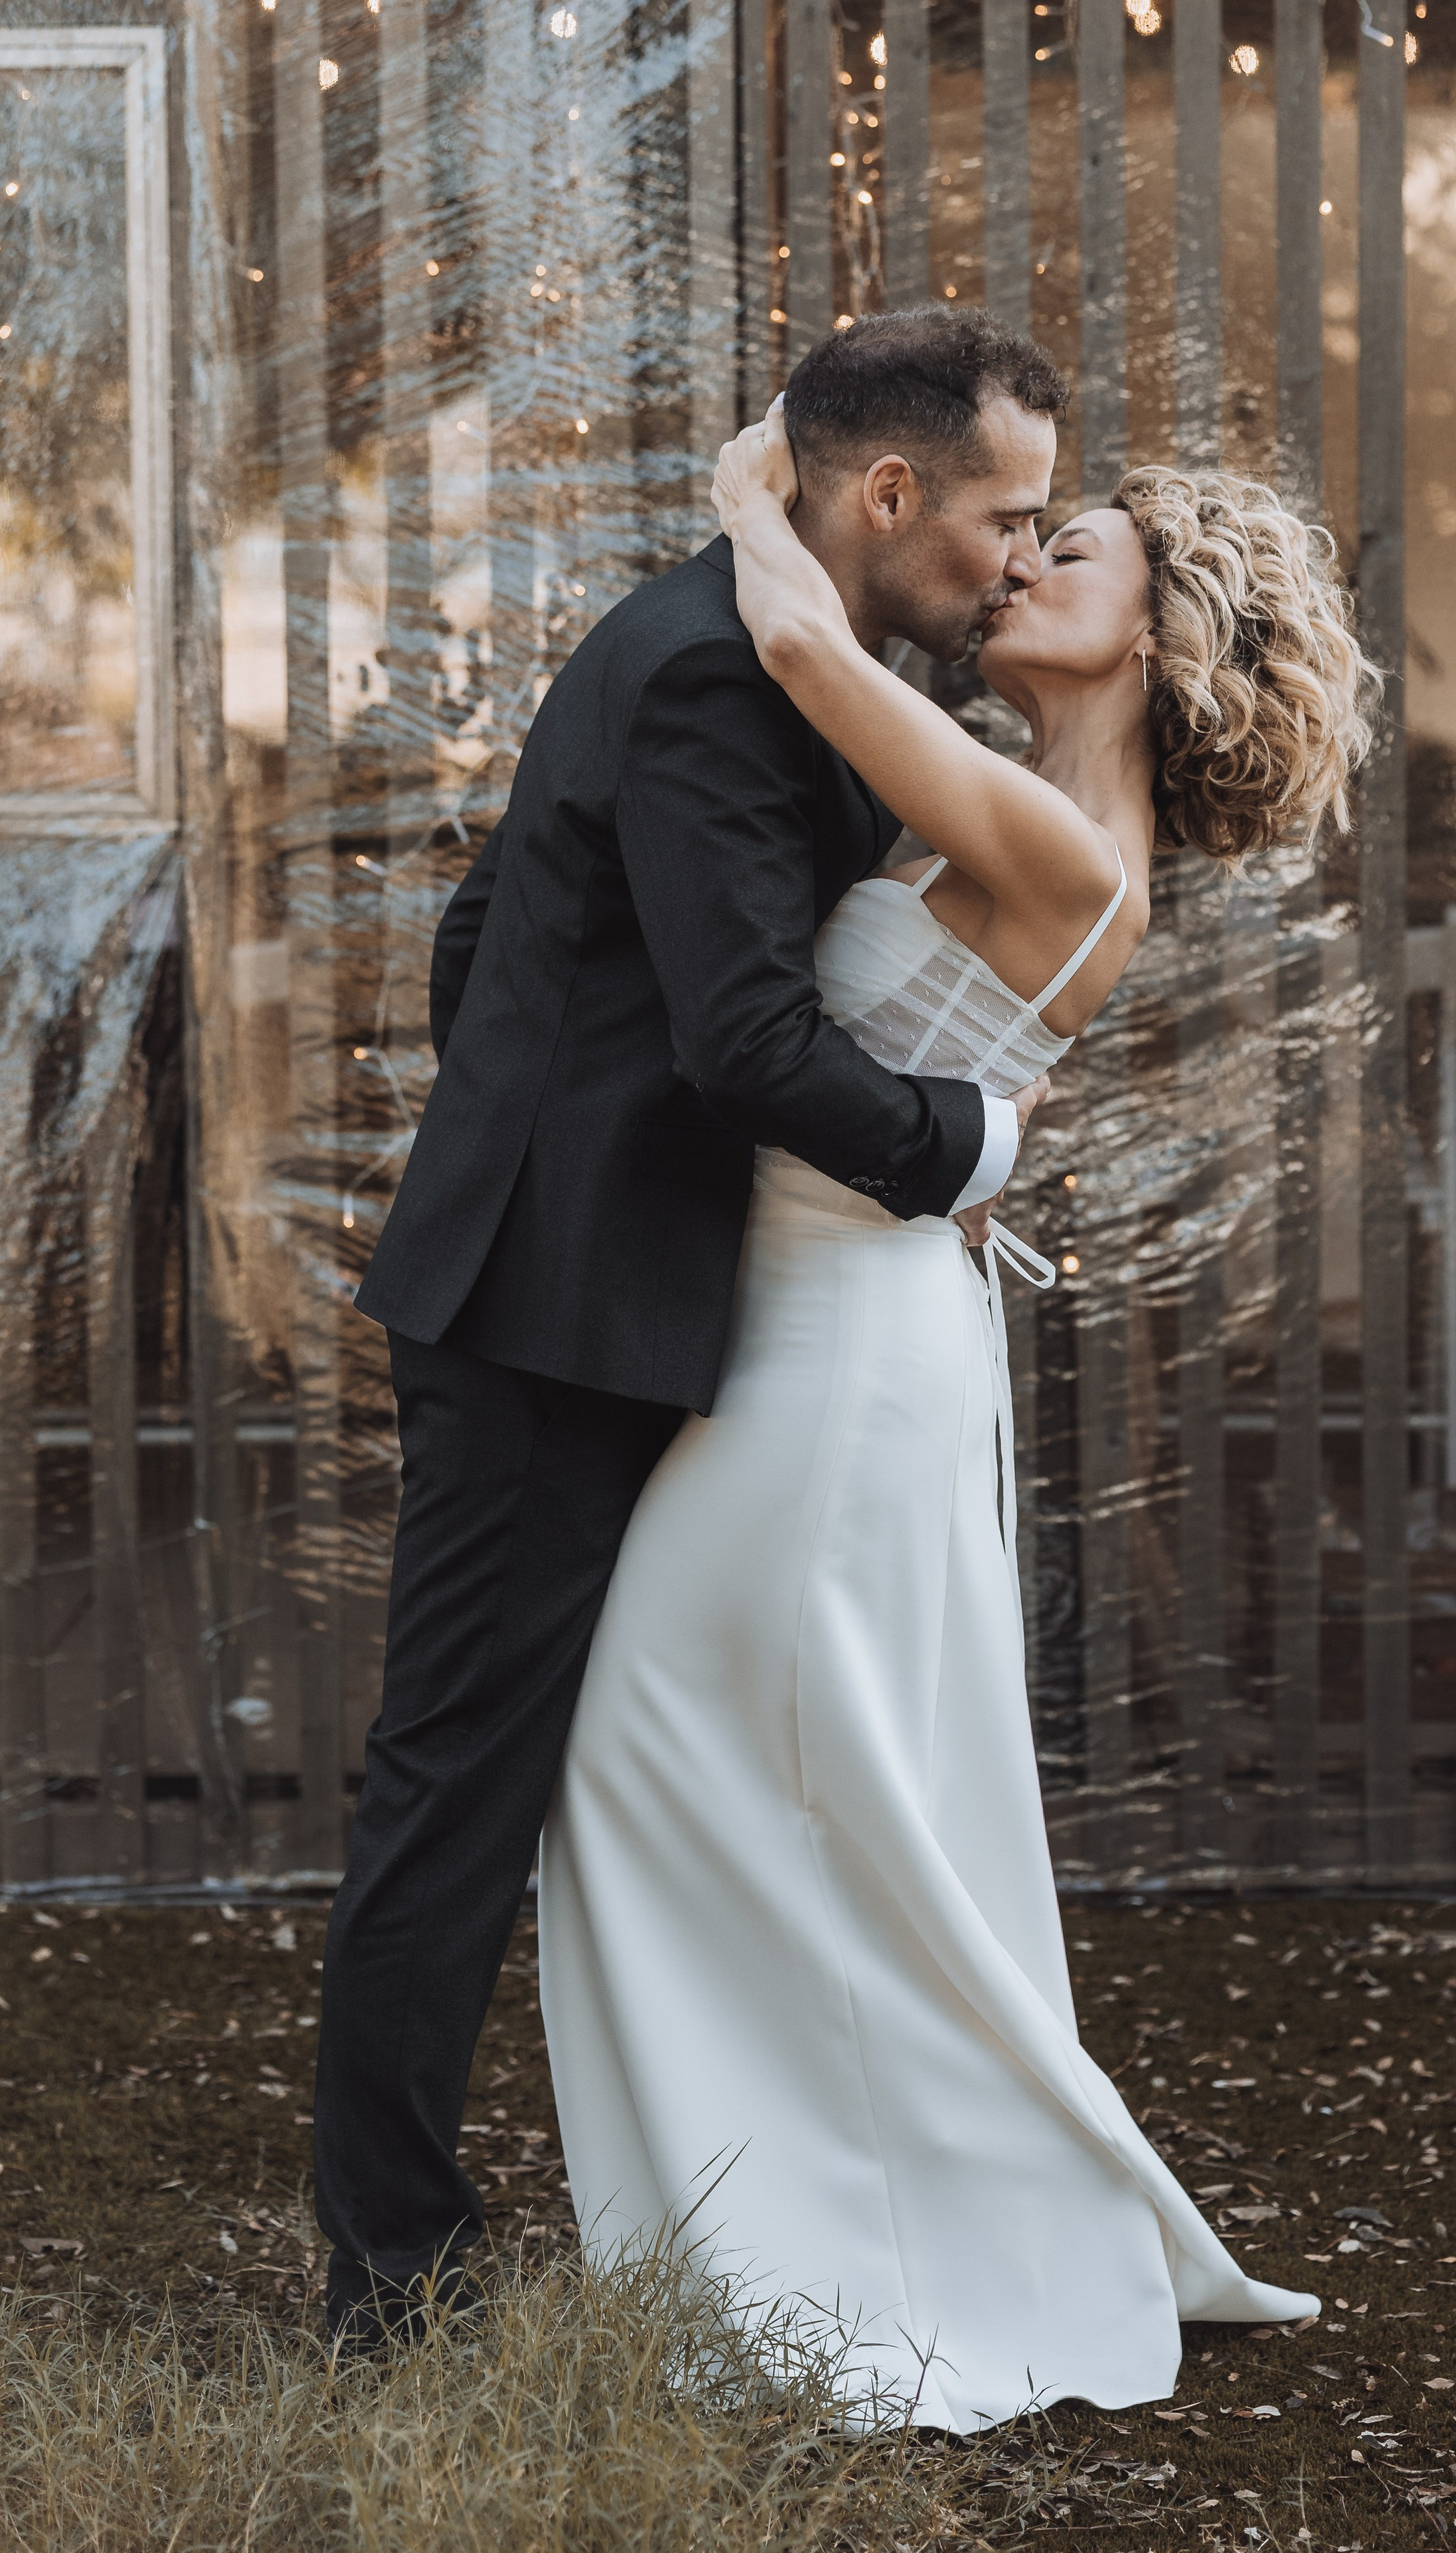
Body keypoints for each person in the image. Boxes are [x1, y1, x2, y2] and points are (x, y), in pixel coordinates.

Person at [535, 390, 1376, 2429]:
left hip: (835, 1363)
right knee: (781, 1791)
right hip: (834, 1322)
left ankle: (805, 2250)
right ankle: (795, 2219)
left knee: (663, 1761)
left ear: (1152, 638)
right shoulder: (1013, 803)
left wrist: (754, 489)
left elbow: (798, 643)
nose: (1017, 566)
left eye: (1065, 553)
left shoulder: (1061, 841)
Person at [317, 309, 1070, 2348]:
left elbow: (489, 932)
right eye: (1007, 517)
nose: (1022, 558)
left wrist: (536, 1097)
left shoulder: (764, 647)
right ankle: (390, 2281)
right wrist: (970, 1145)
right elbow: (743, 1041)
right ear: (889, 494)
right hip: (553, 1316)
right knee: (459, 1783)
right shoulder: (715, 674)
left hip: (629, 1288)